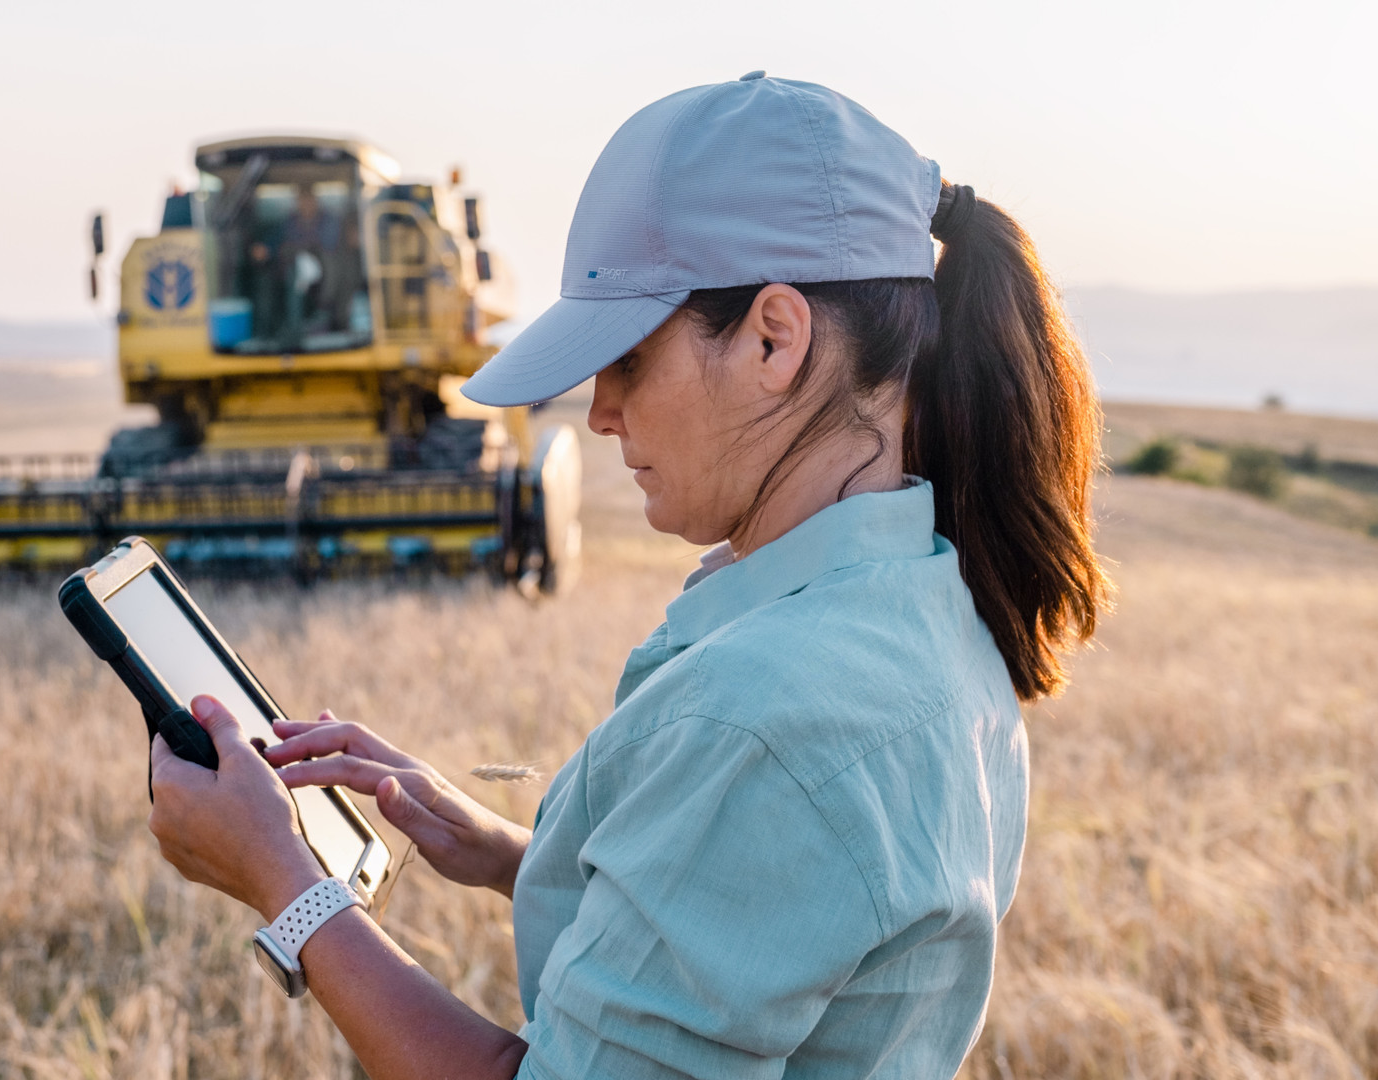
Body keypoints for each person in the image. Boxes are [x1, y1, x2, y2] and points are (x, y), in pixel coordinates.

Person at [145, 72, 1109, 1079]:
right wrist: (517, 854)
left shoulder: (760, 718)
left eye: (629, 360)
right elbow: (779, 929)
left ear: (774, 339)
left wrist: (289, 887)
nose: (601, 412)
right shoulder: (926, 604)